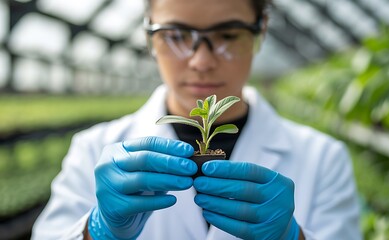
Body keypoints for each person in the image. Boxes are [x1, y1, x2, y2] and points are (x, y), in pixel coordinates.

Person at [32, 0, 361, 239]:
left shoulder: (323, 157)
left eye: (228, 35)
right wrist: (96, 231)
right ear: (149, 35)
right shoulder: (92, 148)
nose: (202, 61)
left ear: (260, 30)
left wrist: (293, 238)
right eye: (176, 35)